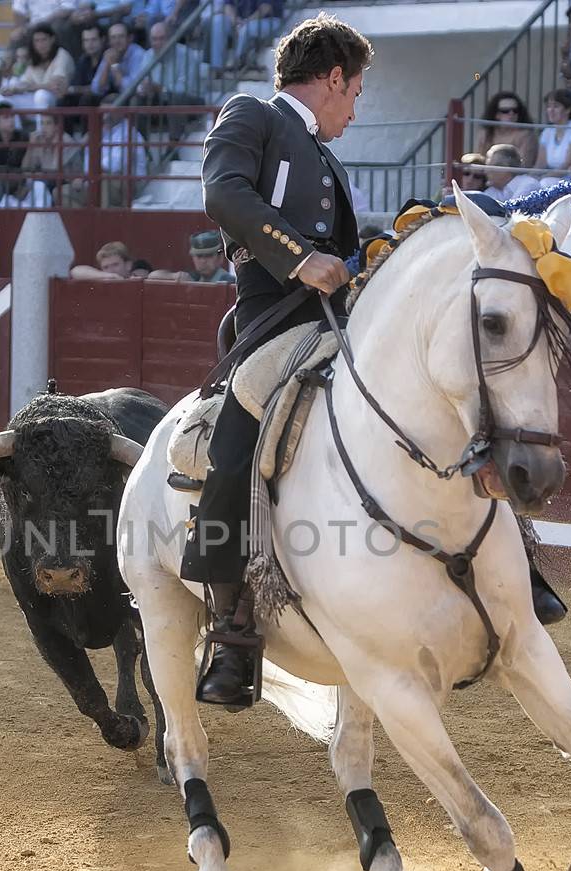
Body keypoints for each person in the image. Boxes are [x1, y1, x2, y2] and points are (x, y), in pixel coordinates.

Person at [183, 14, 372, 706]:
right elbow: (223, 194)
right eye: (354, 92)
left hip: (338, 314)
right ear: (331, 79)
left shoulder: (326, 156)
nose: (355, 107)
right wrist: (300, 259)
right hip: (272, 317)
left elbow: (345, 251)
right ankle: (231, 626)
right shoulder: (253, 116)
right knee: (237, 441)